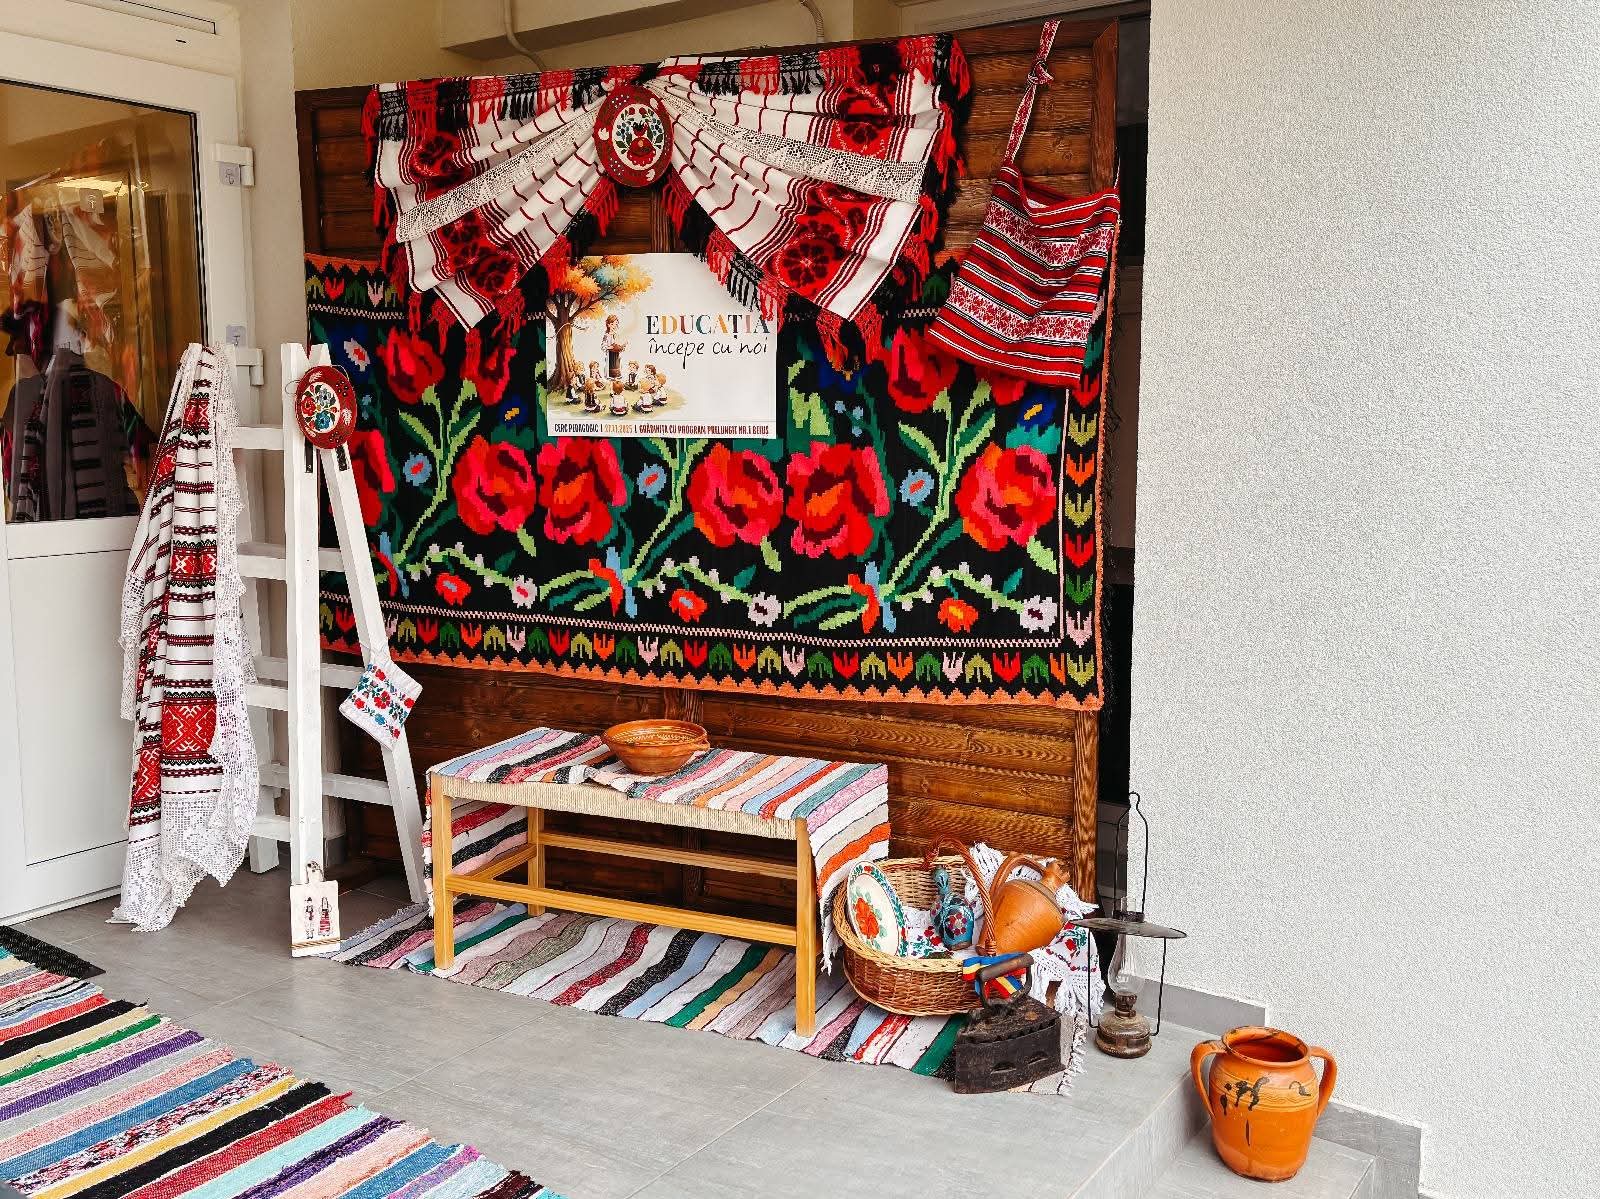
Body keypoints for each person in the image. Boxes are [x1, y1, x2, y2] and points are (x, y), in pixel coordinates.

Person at [602, 314, 625, 380]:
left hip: (617, 355)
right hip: (610, 355)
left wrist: (622, 346)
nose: (614, 326)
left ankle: (616, 381)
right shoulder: (606, 335)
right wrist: (609, 347)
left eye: (616, 324)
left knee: (617, 370)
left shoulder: (618, 334)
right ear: (608, 325)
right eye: (612, 324)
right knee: (611, 372)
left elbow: (621, 344)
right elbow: (603, 346)